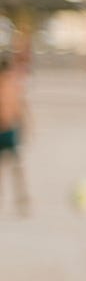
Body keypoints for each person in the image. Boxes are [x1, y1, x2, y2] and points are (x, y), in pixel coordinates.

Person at [0, 57, 29, 217]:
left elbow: (20, 107)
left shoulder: (13, 87)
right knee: (7, 169)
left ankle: (22, 199)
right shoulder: (8, 86)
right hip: (3, 132)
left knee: (17, 168)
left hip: (10, 131)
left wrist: (25, 126)